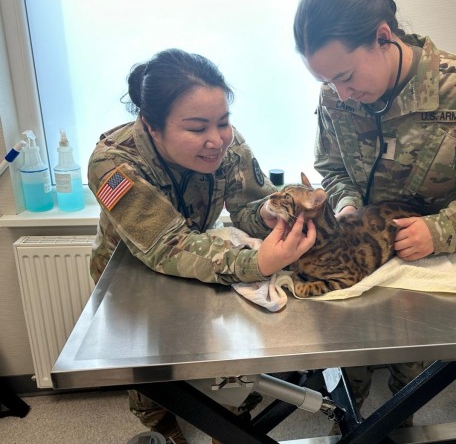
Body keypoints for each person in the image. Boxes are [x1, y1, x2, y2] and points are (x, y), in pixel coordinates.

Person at [293, 0, 456, 429]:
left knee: (411, 379)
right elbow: (332, 166)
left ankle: (396, 425)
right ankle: (348, 425)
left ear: (383, 38)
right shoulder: (335, 96)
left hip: (427, 260)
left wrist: (441, 230)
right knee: (348, 364)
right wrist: (345, 203)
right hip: (356, 256)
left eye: (344, 76)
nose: (339, 93)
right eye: (328, 81)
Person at [87, 48, 316, 443]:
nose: (216, 140)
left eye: (223, 122)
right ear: (152, 126)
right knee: (154, 386)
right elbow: (165, 245)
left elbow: (248, 205)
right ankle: (167, 430)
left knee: (223, 369)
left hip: (203, 264)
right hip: (131, 279)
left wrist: (268, 215)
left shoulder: (229, 145)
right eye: (197, 128)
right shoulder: (112, 163)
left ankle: (226, 427)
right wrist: (256, 263)